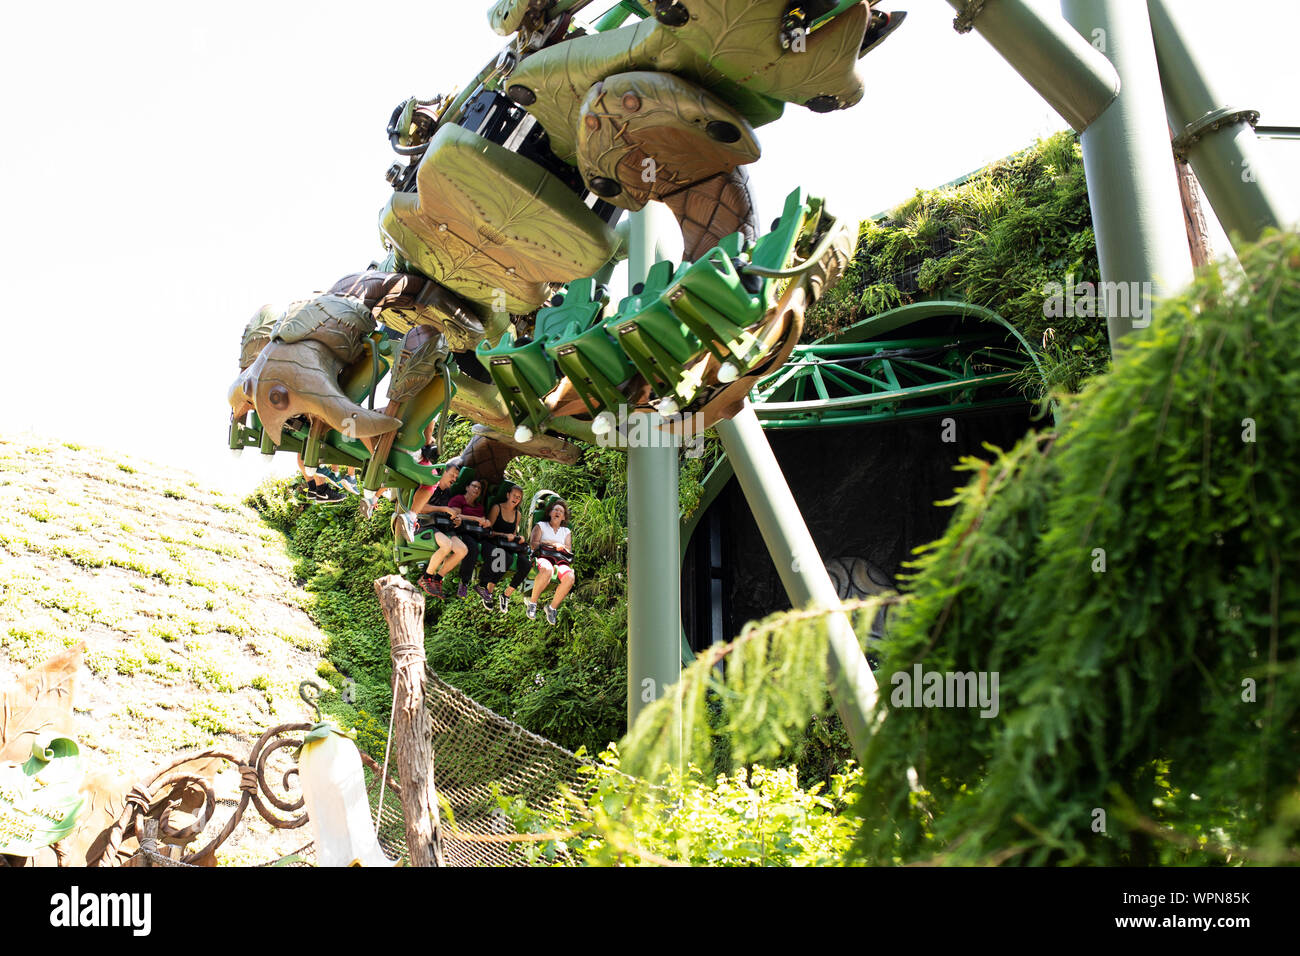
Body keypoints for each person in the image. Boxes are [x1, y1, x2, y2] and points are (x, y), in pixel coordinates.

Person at [475, 484, 532, 614]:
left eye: (519, 497)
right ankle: (488, 591)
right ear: (508, 495)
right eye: (514, 496)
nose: (516, 499)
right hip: (494, 540)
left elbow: (513, 533)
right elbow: (488, 530)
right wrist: (504, 535)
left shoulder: (518, 514)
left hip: (508, 543)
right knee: (506, 558)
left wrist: (519, 538)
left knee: (526, 564)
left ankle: (506, 595)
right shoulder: (497, 508)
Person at [414, 463, 465, 598]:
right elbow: (420, 507)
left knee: (462, 550)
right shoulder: (430, 486)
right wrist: (444, 509)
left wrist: (456, 518)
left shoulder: (448, 492)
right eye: (452, 474)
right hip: (425, 523)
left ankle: (437, 579)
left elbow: (447, 511)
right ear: (443, 473)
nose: (454, 478)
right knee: (447, 545)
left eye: (456, 477)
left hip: (442, 525)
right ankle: (426, 577)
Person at [527, 499, 575, 626]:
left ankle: (552, 608)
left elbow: (568, 549)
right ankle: (533, 603)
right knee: (547, 569)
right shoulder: (541, 525)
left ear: (564, 516)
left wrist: (561, 546)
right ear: (550, 513)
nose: (558, 512)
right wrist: (552, 544)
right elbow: (533, 544)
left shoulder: (566, 531)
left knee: (570, 577)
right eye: (555, 510)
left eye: (561, 511)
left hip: (560, 559)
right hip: (543, 555)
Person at [444, 479, 491, 598]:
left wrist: (486, 522)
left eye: (479, 488)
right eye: (474, 486)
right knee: (472, 548)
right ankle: (464, 582)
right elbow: (455, 515)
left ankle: (482, 584)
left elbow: (483, 520)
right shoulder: (459, 499)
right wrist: (475, 519)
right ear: (467, 488)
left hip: (477, 533)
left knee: (491, 550)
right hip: (461, 531)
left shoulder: (479, 507)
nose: (476, 489)